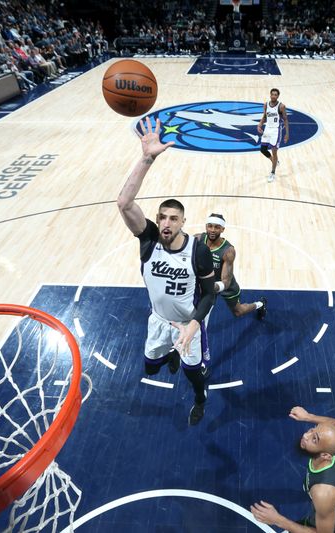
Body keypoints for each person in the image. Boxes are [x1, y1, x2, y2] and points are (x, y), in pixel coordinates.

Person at [116, 116, 216, 426]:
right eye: (162, 217)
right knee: (149, 367)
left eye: (174, 218)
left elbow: (210, 293)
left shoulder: (197, 250)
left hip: (189, 322)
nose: (167, 223)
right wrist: (146, 159)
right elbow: (123, 202)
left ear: (183, 222)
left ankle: (201, 400)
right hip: (159, 319)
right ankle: (169, 354)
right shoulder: (148, 240)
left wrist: (194, 325)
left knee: (192, 372)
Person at [251, 406, 335, 533]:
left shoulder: (322, 492)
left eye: (314, 439)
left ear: (325, 456)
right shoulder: (334, 441)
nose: (306, 435)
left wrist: (277, 520)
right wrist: (308, 417)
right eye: (312, 430)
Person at [195, 213, 267, 360]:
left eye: (217, 227)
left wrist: (211, 287)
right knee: (200, 322)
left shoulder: (228, 251)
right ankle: (201, 359)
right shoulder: (197, 239)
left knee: (238, 312)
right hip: (206, 286)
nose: (213, 230)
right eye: (210, 226)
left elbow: (226, 281)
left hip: (222, 284)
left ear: (223, 229)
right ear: (206, 227)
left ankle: (260, 304)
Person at [257, 88, 289, 183]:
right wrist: (260, 124)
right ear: (270, 95)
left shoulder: (281, 106)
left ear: (278, 96)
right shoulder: (266, 105)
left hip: (276, 130)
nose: (274, 96)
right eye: (272, 94)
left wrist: (287, 134)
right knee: (263, 149)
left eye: (276, 95)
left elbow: (286, 120)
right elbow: (265, 116)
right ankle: (275, 161)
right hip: (267, 129)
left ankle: (273, 173)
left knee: (274, 152)